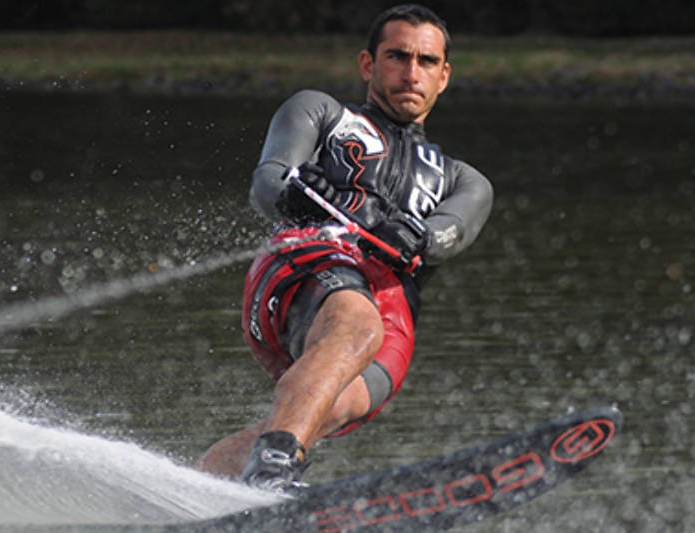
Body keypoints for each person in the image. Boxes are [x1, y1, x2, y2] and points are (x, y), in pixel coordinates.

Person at [195, 3, 493, 491]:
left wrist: (417, 236)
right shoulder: (320, 111)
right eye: (397, 57)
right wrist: (294, 194)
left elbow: (450, 232)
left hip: (392, 306)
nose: (411, 72)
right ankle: (274, 472)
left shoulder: (465, 179)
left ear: (444, 76)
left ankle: (196, 493)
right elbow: (267, 182)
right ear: (368, 65)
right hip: (310, 257)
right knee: (356, 326)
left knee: (330, 409)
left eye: (426, 62)